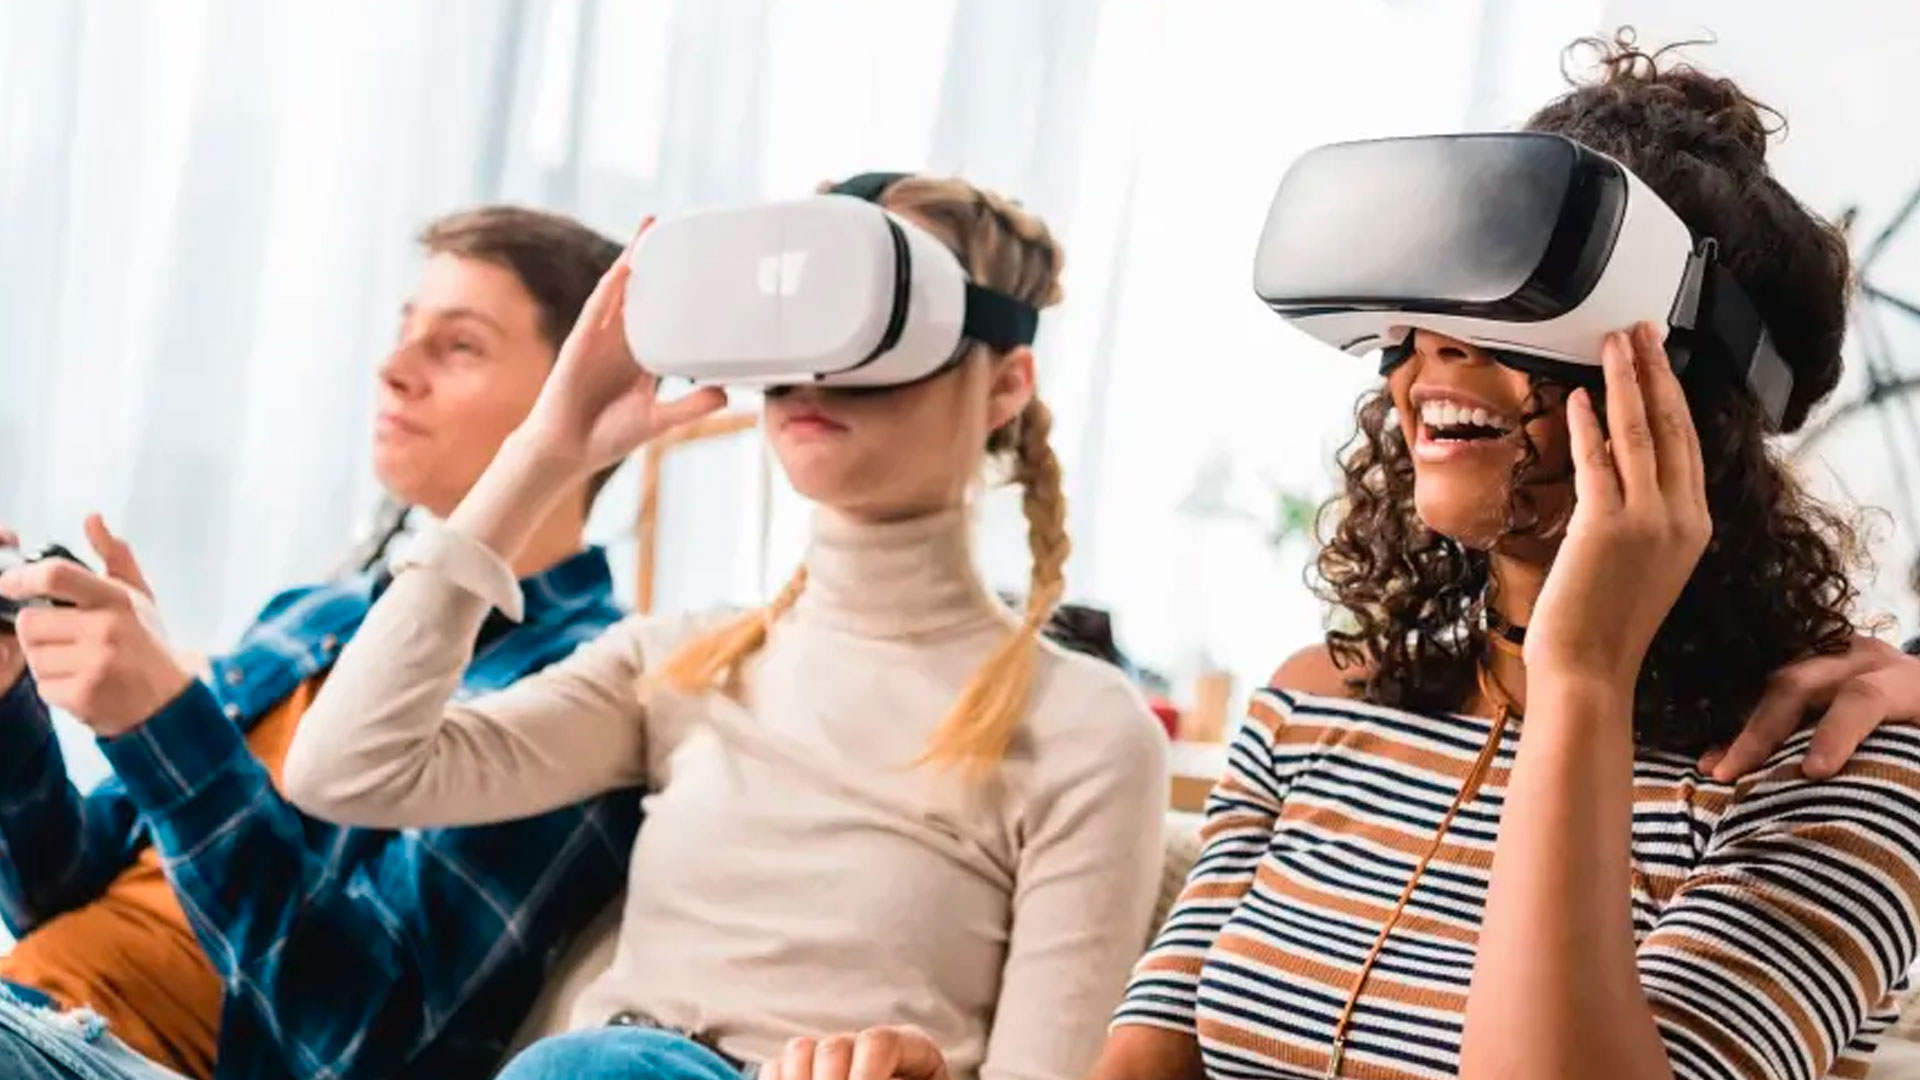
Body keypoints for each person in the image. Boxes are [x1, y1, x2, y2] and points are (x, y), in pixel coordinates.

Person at [756, 35, 1920, 1080]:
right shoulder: (1316, 706)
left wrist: (1579, 679)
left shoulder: (1831, 773)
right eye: (1427, 310)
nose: (1430, 356)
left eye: (1521, 313)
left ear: (1691, 391)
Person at [276, 174, 1173, 1080]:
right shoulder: (680, 663)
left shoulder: (1084, 731)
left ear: (1005, 382)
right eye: (808, 308)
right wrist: (547, 451)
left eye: (878, 313)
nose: (820, 367)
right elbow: (345, 770)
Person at [0, 206, 652, 1080]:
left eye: (459, 346)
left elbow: (353, 1042)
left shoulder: (582, 686)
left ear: (588, 395)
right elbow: (56, 896)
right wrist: (11, 714)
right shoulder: (318, 613)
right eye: (404, 333)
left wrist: (165, 727)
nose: (393, 371)